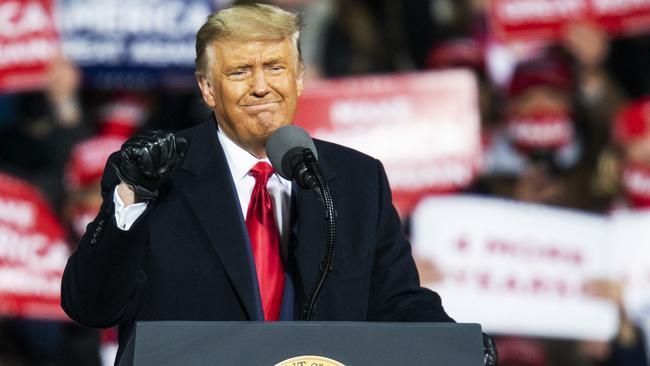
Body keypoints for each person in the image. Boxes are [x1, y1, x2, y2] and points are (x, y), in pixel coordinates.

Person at [60, 3, 460, 363]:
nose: (261, 86)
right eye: (240, 72)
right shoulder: (156, 173)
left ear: (300, 77)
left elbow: (396, 300)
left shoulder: (357, 180)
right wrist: (133, 201)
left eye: (275, 67)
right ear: (207, 88)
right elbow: (91, 306)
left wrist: (457, 345)